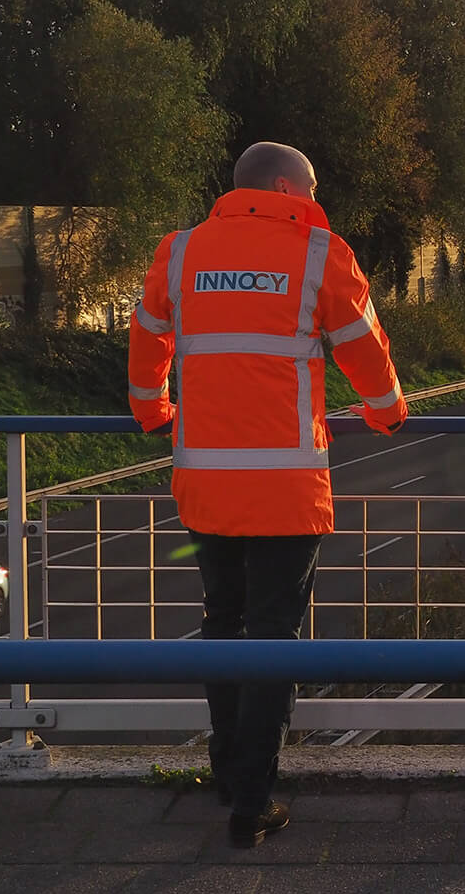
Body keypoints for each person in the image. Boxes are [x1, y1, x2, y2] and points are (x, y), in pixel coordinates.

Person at [128, 142, 408, 848]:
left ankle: (227, 772)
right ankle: (251, 802)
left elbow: (148, 337)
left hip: (206, 485)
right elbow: (363, 344)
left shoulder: (183, 251)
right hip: (286, 488)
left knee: (222, 624)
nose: (317, 195)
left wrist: (152, 412)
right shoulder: (319, 251)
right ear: (286, 186)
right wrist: (387, 411)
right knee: (274, 637)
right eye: (312, 185)